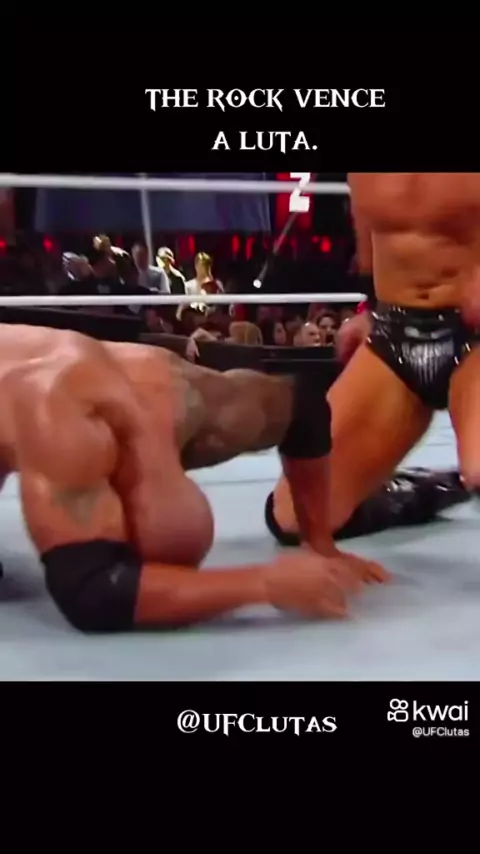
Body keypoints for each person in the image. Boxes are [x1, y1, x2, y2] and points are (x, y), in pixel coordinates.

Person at [0, 323, 386, 634]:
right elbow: (93, 591)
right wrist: (264, 583)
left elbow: (303, 405)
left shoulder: (191, 398)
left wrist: (319, 544)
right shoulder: (55, 411)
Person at [268, 173, 476, 542]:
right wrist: (370, 309)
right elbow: (368, 229)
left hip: (474, 333)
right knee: (297, 514)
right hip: (396, 331)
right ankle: (421, 491)